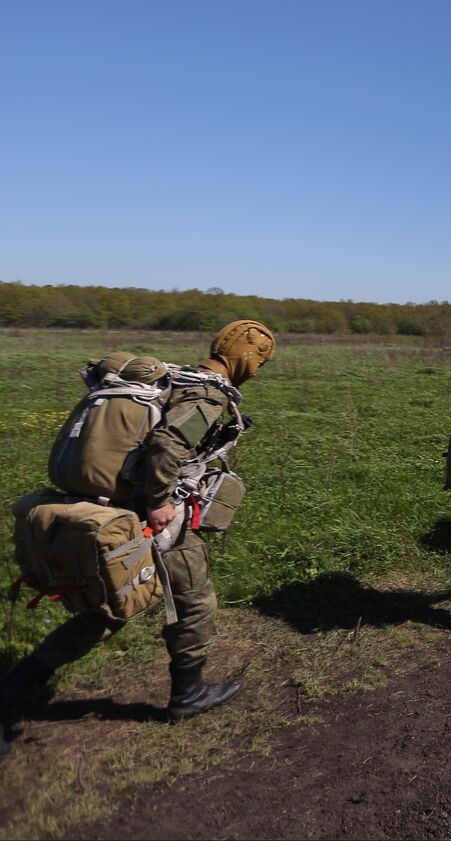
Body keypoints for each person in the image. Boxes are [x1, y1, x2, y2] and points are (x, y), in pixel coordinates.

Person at [1, 321, 275, 750]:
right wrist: (160, 501)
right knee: (193, 602)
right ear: (243, 355)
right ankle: (189, 693)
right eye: (259, 358)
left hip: (114, 514)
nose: (258, 369)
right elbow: (168, 446)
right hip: (153, 519)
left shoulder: (179, 377)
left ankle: (10, 692)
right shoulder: (208, 392)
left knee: (108, 610)